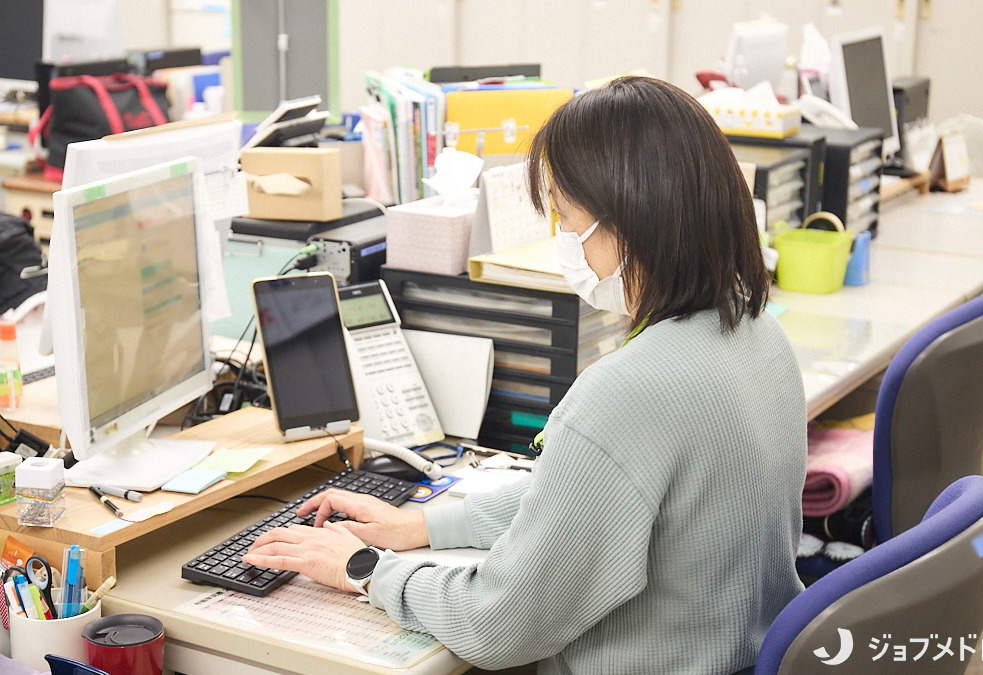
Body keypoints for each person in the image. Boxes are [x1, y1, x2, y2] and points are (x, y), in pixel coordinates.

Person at [245, 76, 808, 673]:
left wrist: (363, 568)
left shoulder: (629, 391)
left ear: (634, 221)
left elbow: (501, 624)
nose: (564, 239)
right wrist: (422, 526)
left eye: (567, 219)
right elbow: (584, 494)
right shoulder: (757, 331)